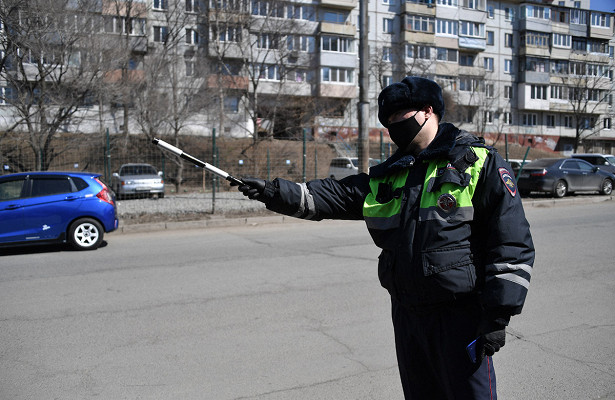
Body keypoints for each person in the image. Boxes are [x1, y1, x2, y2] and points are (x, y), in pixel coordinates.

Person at [234, 76, 535, 400]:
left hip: (459, 316)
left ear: (428, 110)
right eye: (388, 120)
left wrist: (497, 314)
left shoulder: (477, 162)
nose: (393, 124)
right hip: (407, 315)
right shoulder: (390, 175)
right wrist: (274, 192)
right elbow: (336, 195)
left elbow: (512, 241)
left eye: (400, 116)